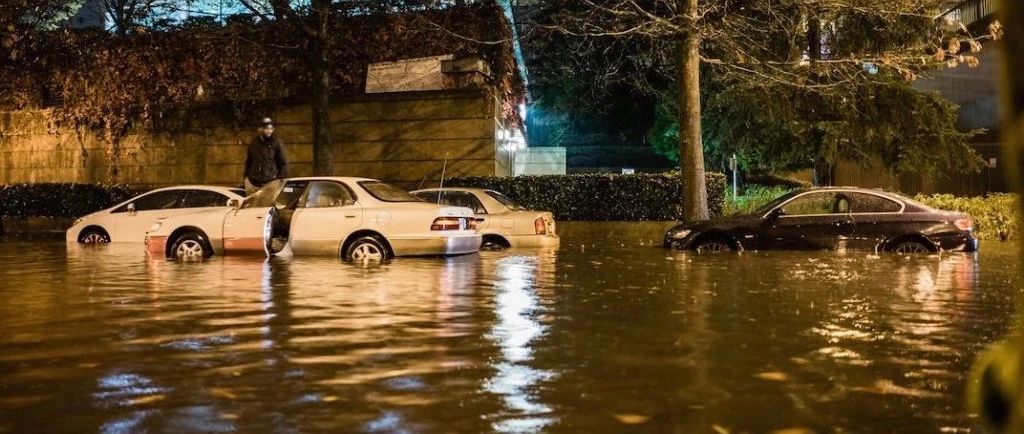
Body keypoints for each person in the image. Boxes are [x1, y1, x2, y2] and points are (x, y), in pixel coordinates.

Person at [244, 117, 288, 194]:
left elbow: (283, 163)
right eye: (266, 128)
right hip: (253, 183)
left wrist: (279, 180)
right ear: (260, 129)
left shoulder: (276, 143)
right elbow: (249, 161)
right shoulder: (254, 143)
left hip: (270, 183)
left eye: (271, 128)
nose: (269, 131)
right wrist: (246, 178)